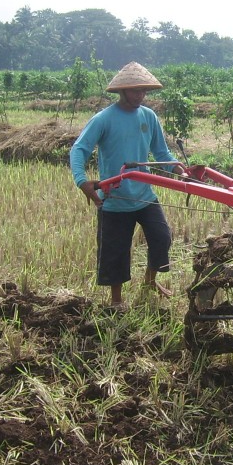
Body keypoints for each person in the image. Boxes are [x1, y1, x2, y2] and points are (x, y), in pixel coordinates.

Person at [70, 62, 185, 312]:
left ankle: (150, 282)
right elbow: (79, 149)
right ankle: (116, 300)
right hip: (114, 197)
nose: (140, 95)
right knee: (116, 250)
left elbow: (161, 151)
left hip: (144, 194)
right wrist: (82, 180)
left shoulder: (148, 116)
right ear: (121, 91)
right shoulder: (104, 119)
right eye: (135, 91)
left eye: (143, 91)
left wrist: (177, 168)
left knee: (161, 237)